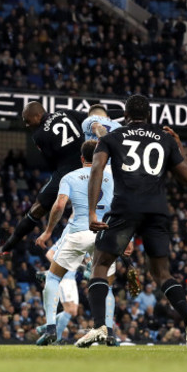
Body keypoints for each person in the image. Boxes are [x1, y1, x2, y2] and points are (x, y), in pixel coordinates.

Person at [77, 94, 187, 349]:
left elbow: (97, 169)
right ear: (149, 116)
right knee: (161, 273)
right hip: (157, 210)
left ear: (125, 116)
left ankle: (100, 325)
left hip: (125, 208)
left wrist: (92, 212)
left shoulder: (111, 137)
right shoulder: (165, 138)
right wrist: (178, 145)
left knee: (100, 265)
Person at [34, 140, 121, 346]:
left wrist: (47, 232)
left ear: (81, 158)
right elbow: (122, 204)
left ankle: (50, 329)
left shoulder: (70, 177)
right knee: (106, 285)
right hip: (106, 234)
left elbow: (60, 205)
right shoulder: (113, 176)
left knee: (53, 277)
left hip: (79, 232)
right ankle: (108, 332)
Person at [0, 101, 86, 256]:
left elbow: (51, 161)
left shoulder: (38, 135)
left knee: (37, 209)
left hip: (66, 170)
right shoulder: (66, 112)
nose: (27, 125)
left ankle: (6, 247)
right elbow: (90, 118)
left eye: (28, 121)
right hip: (90, 164)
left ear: (38, 115)